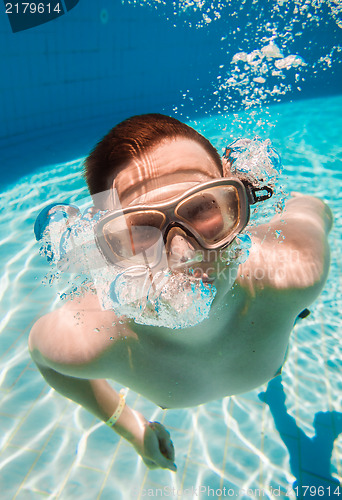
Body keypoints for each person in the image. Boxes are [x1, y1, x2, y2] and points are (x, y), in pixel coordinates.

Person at [28, 114, 332, 472]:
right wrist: (130, 428)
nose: (184, 254)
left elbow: (315, 209)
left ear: (238, 206)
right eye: (140, 227)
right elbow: (43, 358)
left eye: (204, 207)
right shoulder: (91, 340)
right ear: (108, 250)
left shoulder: (296, 272)